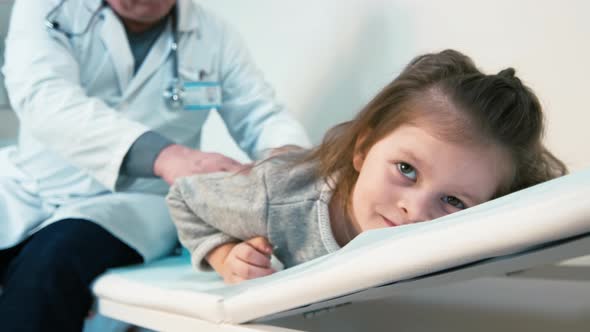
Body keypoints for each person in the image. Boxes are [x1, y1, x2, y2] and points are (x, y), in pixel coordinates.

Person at [0, 0, 310, 330]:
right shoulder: (48, 7)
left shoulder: (213, 36)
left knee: (51, 266)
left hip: (133, 202)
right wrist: (168, 156)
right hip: (28, 186)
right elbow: (43, 96)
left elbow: (261, 115)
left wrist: (287, 161)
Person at [167, 49, 567, 284]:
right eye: (406, 170)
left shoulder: (469, 234)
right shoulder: (275, 197)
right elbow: (183, 198)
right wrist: (223, 255)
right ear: (363, 147)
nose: (415, 209)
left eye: (452, 200)